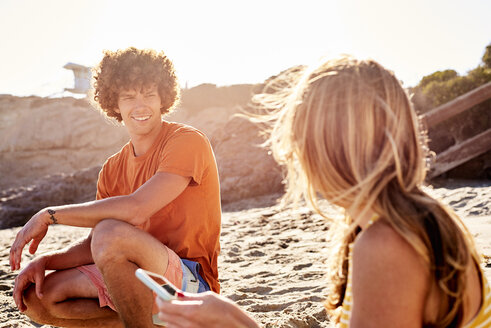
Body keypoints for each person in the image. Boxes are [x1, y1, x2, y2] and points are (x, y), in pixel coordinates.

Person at [155, 56, 491, 327]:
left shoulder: (387, 244)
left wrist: (238, 324)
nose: (294, 154)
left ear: (324, 146)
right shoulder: (413, 216)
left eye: (299, 138)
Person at [9, 47, 221, 327]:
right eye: (129, 97)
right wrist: (47, 261)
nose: (140, 105)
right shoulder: (112, 168)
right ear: (115, 104)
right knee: (36, 297)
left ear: (162, 99)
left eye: (149, 95)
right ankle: (145, 321)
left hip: (191, 286)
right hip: (137, 280)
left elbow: (136, 210)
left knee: (111, 233)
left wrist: (48, 215)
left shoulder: (186, 141)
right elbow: (95, 245)